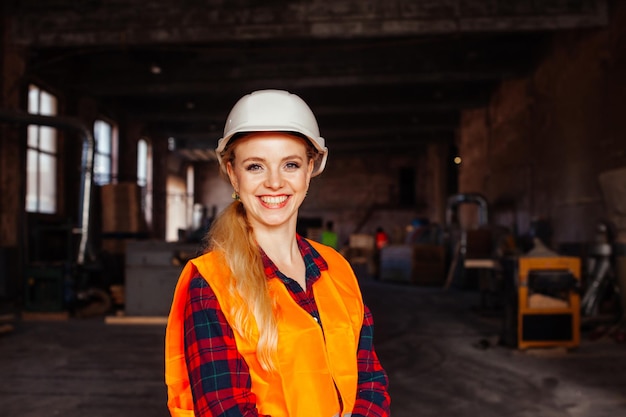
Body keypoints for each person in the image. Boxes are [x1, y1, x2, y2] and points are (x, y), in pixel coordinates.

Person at [165, 89, 390, 417]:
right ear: (232, 173)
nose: (274, 182)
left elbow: (370, 379)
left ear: (310, 168)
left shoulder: (336, 268)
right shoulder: (212, 282)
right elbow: (226, 410)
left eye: (290, 164)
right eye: (255, 166)